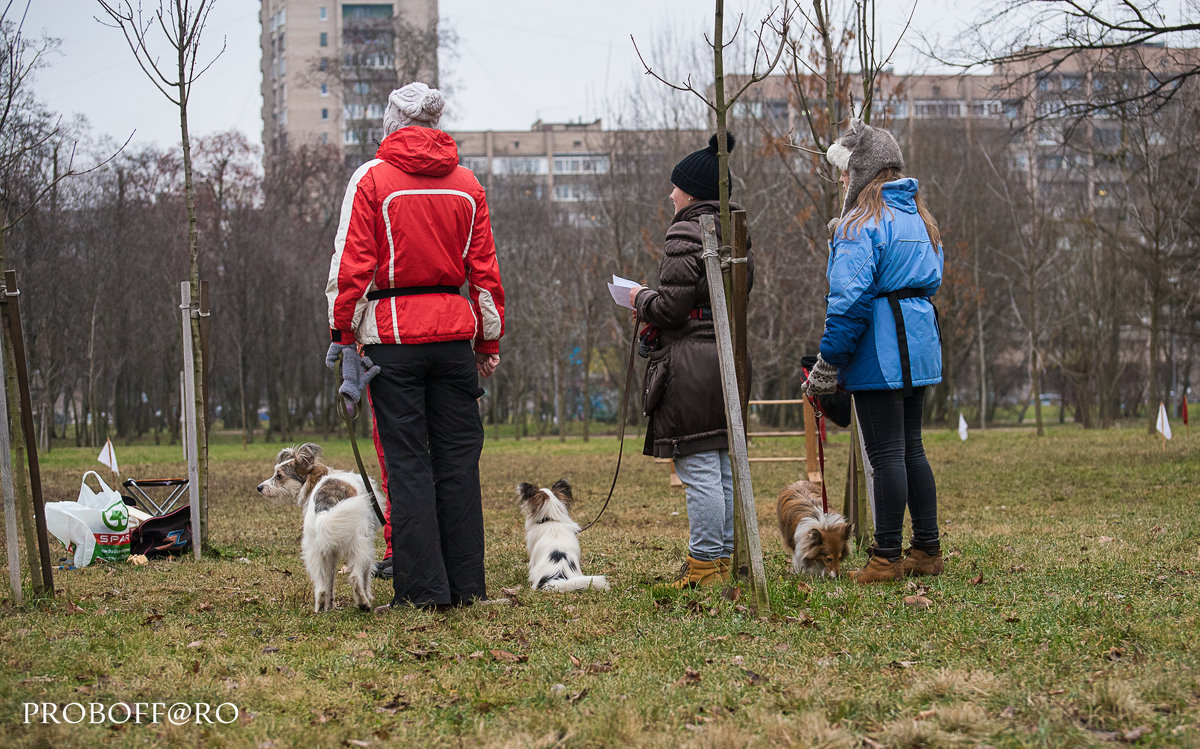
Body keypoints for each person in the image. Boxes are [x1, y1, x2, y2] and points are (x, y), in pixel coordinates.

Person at [325, 81, 505, 609]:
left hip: (393, 340)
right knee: (457, 460)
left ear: (392, 122)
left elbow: (352, 266)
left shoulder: (372, 180)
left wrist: (343, 334)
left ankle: (424, 591)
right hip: (453, 336)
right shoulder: (468, 185)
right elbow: (486, 273)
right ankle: (468, 585)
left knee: (407, 464)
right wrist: (488, 342)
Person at [803, 119, 944, 584]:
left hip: (881, 348)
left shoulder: (858, 225)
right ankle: (926, 548)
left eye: (845, 172)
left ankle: (885, 557)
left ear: (860, 172)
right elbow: (931, 278)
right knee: (911, 449)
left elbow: (848, 300)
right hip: (920, 342)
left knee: (885, 454)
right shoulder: (919, 218)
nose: (841, 181)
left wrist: (829, 362)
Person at [627, 133, 753, 588]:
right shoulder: (736, 229)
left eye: (675, 186)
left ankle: (704, 566)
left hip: (692, 365)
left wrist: (640, 298)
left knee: (699, 468)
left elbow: (671, 308)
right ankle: (719, 560)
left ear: (693, 192)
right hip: (728, 358)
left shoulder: (687, 229)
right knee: (719, 464)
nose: (671, 193)